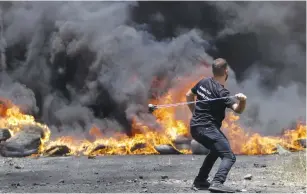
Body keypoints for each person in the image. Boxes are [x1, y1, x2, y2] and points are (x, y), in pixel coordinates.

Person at [186, 58, 247, 193]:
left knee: (215, 150)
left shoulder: (203, 82)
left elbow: (188, 95)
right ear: (226, 71)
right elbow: (238, 110)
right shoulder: (222, 93)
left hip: (195, 127)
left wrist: (194, 113)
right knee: (229, 156)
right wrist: (243, 100)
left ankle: (200, 181)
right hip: (207, 129)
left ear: (213, 71)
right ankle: (218, 182)